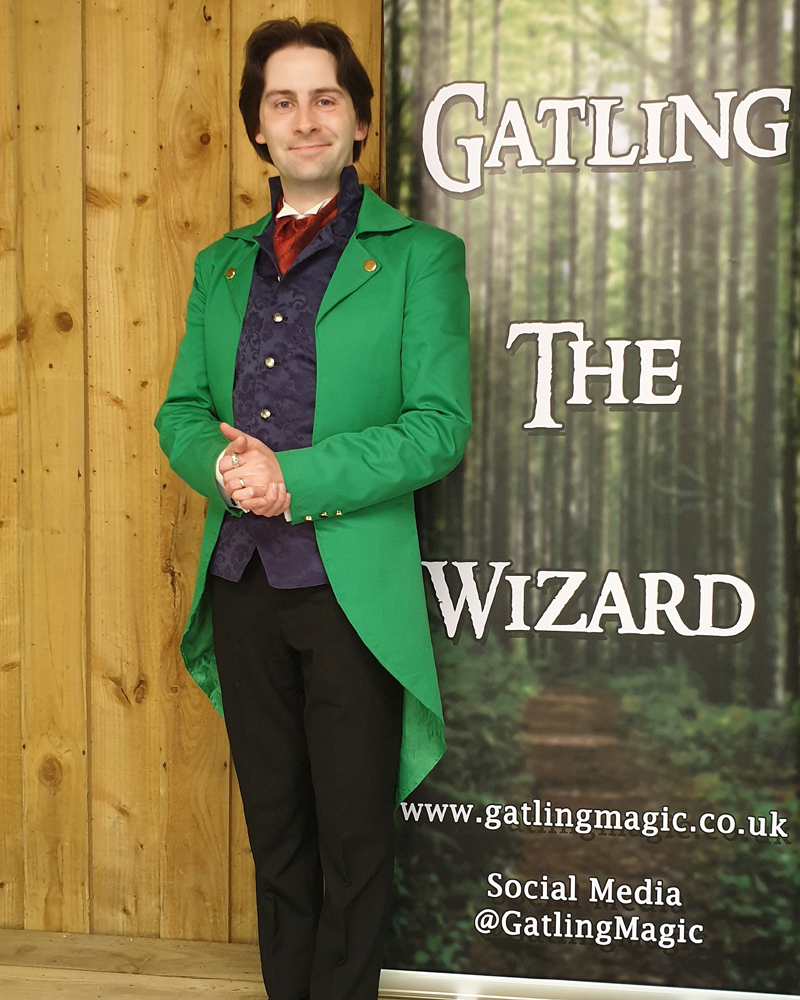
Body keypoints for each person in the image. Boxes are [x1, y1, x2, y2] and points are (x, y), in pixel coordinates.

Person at [155, 18, 470, 1000]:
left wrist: (296, 476)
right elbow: (178, 413)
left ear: (360, 122)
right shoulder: (219, 265)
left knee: (354, 832)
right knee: (277, 825)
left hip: (351, 591)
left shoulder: (421, 256)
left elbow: (435, 428)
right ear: (257, 125)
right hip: (242, 581)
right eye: (281, 101)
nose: (303, 119)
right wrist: (222, 465)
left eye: (324, 98)